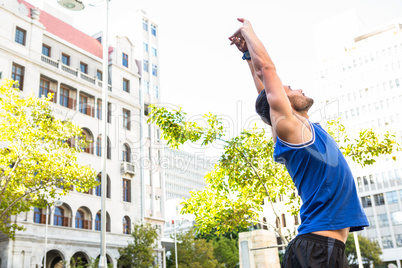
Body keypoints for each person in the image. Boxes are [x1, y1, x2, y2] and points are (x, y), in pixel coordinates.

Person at [229, 18, 368, 268]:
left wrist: (248, 54)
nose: (299, 89)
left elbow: (263, 85)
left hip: (322, 248)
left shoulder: (304, 129)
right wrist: (250, 32)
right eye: (289, 89)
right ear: (281, 102)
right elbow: (268, 72)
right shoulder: (289, 128)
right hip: (317, 248)